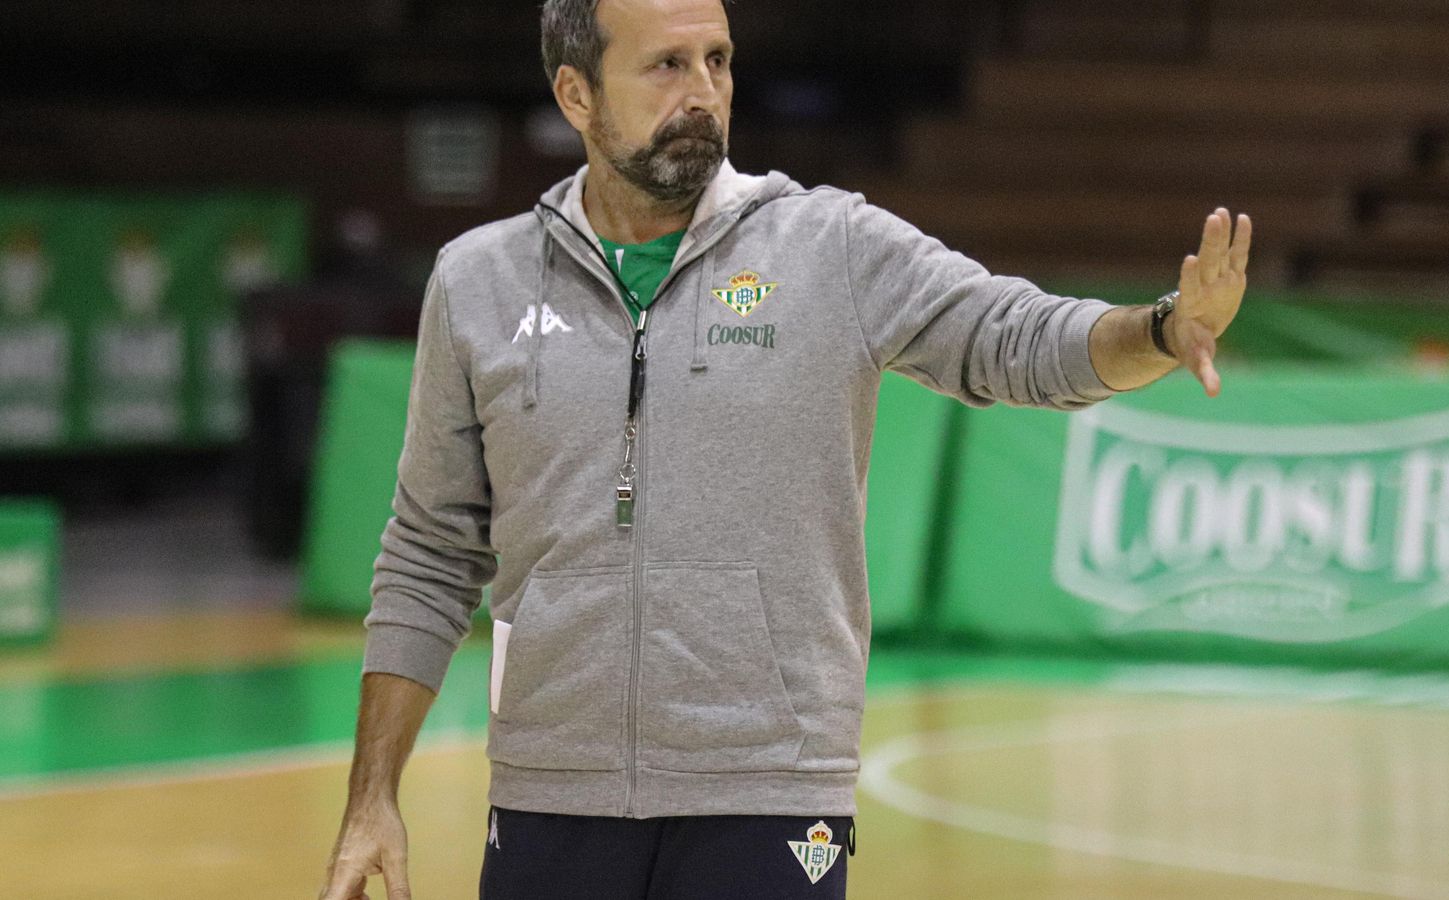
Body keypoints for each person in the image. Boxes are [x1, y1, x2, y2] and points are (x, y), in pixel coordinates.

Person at [318, 0, 1251, 897]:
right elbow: (429, 554)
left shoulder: (830, 247)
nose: (704, 91)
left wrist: (1163, 331)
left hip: (769, 793)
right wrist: (371, 798)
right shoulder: (478, 281)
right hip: (548, 791)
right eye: (666, 65)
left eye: (718, 60)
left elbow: (1016, 339)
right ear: (576, 96)